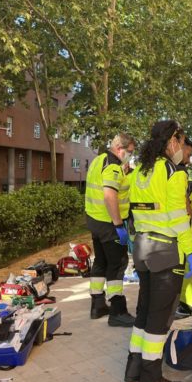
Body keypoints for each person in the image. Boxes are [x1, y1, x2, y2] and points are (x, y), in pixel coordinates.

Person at [122, 120, 192, 382]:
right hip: (167, 253)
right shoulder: (174, 173)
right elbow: (180, 219)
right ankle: (151, 379)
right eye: (181, 140)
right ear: (172, 142)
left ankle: (133, 372)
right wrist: (190, 252)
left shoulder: (140, 171)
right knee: (160, 317)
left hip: (142, 249)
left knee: (144, 311)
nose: (182, 146)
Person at [86, 133, 136, 327]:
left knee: (100, 261)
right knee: (118, 263)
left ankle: (97, 305)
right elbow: (109, 196)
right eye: (129, 152)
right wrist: (118, 224)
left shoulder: (99, 160)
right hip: (109, 223)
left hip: (94, 220)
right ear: (119, 148)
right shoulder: (113, 166)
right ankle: (117, 311)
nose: (130, 156)